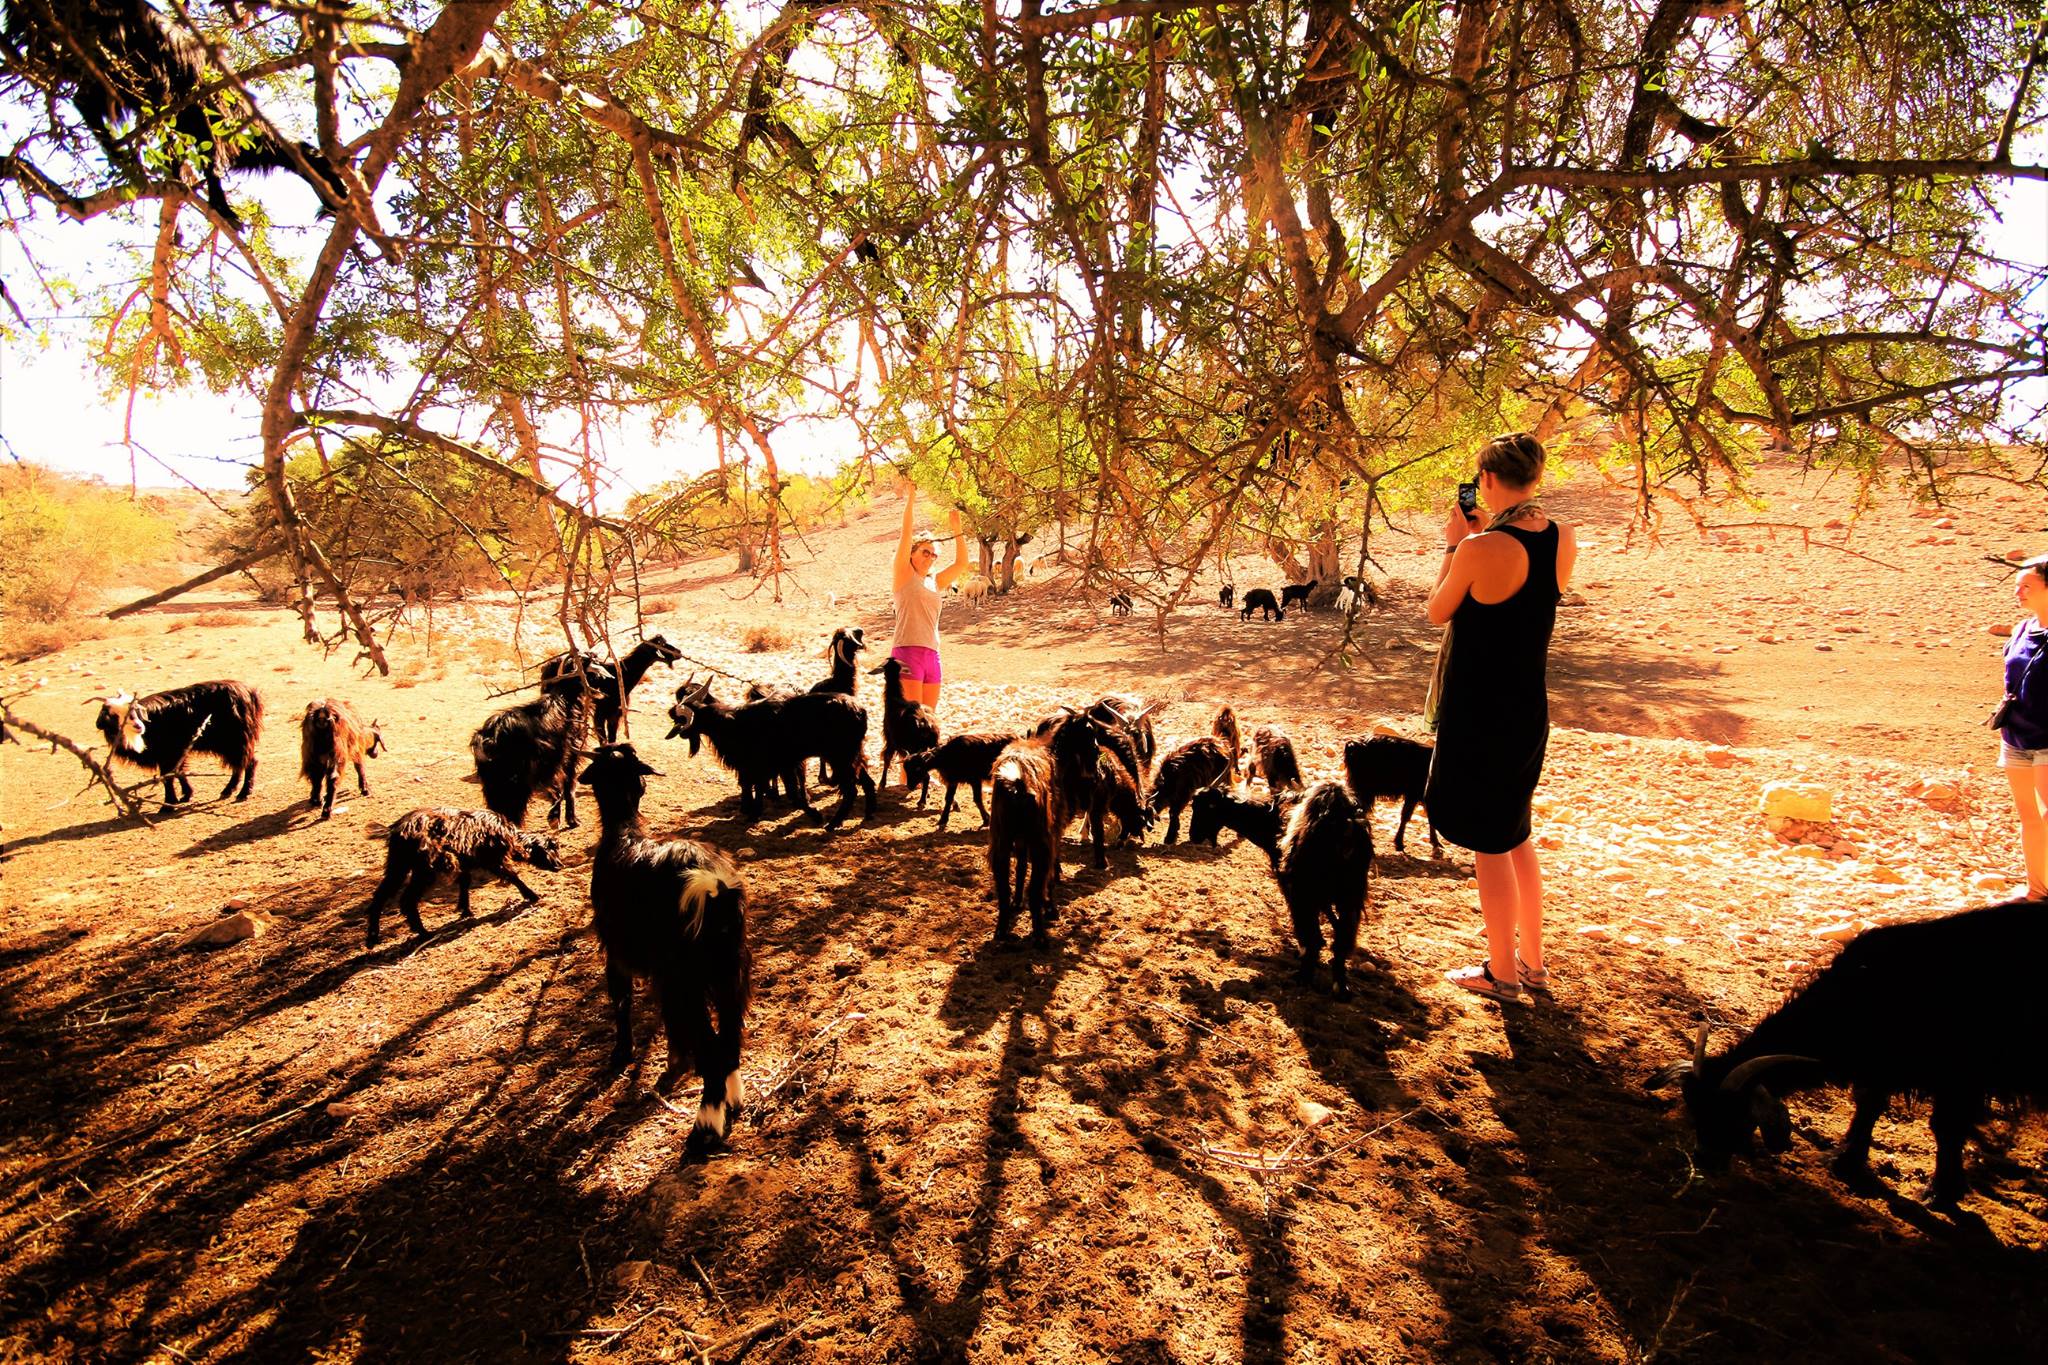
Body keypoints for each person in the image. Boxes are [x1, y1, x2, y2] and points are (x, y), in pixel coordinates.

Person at [1423, 432, 1578, 1006]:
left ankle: (1501, 975)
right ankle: (1532, 963)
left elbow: (1438, 611)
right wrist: (1482, 532)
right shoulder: (1563, 538)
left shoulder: (1478, 548)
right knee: (1516, 834)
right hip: (1528, 707)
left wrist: (1454, 545)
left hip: (1479, 710)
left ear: (1486, 480)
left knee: (1491, 843)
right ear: (1535, 477)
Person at [890, 475, 968, 709]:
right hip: (907, 650)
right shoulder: (903, 574)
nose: (930, 557)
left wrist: (957, 531)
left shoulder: (935, 581)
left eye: (934, 554)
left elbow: (962, 563)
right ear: (912, 553)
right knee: (912, 719)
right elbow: (905, 534)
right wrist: (911, 498)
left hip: (932, 653)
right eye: (925, 552)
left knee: (930, 719)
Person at [1998, 557, 2048, 900]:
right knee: (2029, 818)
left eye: (2027, 585)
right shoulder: (2021, 629)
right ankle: (2036, 892)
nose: (2018, 591)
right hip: (2015, 736)